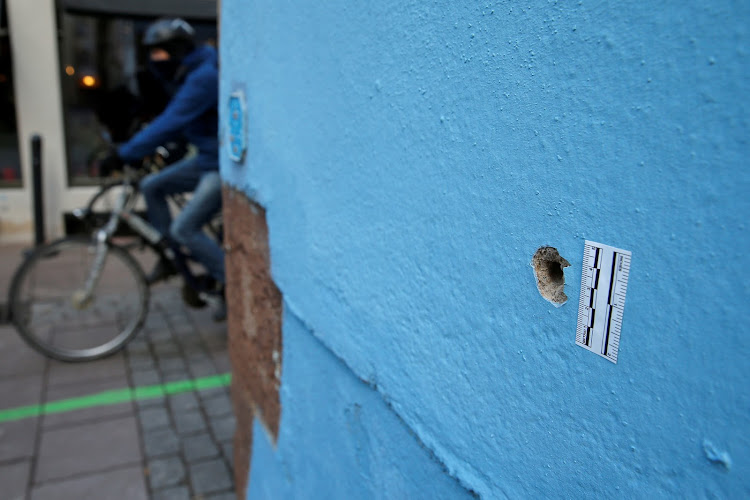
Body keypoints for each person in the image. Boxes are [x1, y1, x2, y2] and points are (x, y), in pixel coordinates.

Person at [100, 18, 225, 319]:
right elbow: (187, 122)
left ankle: (230, 285)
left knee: (185, 228)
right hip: (205, 158)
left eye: (162, 53)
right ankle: (170, 255)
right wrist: (168, 150)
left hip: (220, 166)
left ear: (179, 49)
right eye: (152, 54)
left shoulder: (202, 77)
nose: (157, 60)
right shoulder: (188, 72)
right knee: (152, 186)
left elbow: (173, 119)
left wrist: (126, 153)